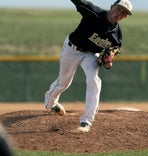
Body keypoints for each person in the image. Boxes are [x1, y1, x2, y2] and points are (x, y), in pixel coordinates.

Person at [45, 0, 133, 132]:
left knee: (94, 80)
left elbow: (114, 48)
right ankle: (51, 103)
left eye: (123, 12)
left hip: (90, 55)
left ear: (125, 17)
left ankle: (86, 120)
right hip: (72, 50)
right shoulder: (93, 12)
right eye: (118, 9)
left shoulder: (116, 34)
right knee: (64, 82)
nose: (119, 13)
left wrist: (109, 57)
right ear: (112, 7)